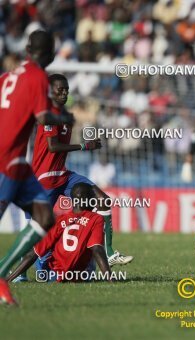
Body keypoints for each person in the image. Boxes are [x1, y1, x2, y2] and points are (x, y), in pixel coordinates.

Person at [0, 30, 75, 305]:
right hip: (7, 160)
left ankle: (2, 274)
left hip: (18, 162)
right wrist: (64, 116)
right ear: (51, 54)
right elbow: (45, 117)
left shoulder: (9, 76)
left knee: (44, 218)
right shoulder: (37, 78)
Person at [28, 74, 133, 269]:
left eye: (66, 90)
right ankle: (21, 271)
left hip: (63, 175)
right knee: (39, 231)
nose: (64, 93)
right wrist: (85, 146)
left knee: (103, 199)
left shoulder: (66, 116)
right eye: (60, 90)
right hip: (44, 179)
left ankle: (108, 252)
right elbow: (53, 146)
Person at [7, 183, 112, 283]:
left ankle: (24, 275)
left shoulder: (59, 220)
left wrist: (9, 279)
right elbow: (97, 249)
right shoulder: (96, 218)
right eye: (93, 197)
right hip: (81, 276)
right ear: (88, 199)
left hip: (54, 275)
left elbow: (32, 254)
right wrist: (111, 280)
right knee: (91, 245)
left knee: (42, 249)